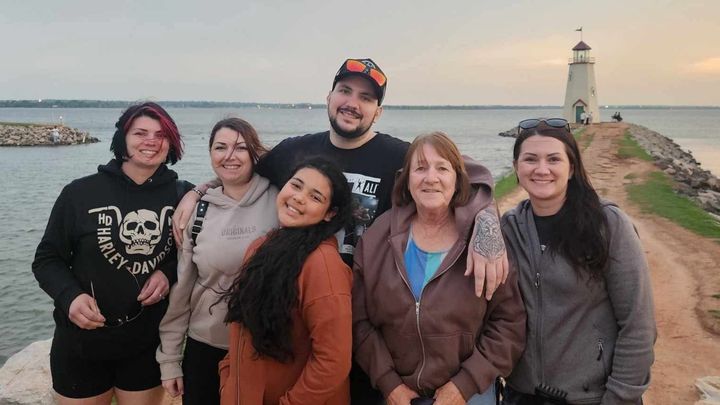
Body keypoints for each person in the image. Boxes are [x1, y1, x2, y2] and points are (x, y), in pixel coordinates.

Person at [172, 57, 509, 403]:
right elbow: (238, 171)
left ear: (378, 111)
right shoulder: (295, 151)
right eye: (345, 91)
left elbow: (470, 177)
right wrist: (198, 193)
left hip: (368, 324)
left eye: (366, 97)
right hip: (300, 319)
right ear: (329, 97)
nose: (352, 103)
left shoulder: (398, 155)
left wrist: (487, 225)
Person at [32, 102, 192, 404]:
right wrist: (69, 297)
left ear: (171, 143)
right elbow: (47, 259)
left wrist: (167, 273)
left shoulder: (184, 195)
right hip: (80, 343)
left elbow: (194, 254)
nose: (151, 141)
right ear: (123, 139)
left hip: (146, 342)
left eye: (161, 135)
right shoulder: (79, 193)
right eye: (140, 133)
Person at [353, 132, 526, 405]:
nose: (431, 178)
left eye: (442, 168)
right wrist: (390, 384)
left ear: (458, 180)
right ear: (406, 179)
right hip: (396, 396)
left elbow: (509, 323)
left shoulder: (483, 239)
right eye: (420, 168)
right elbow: (359, 322)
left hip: (471, 395)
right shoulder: (377, 238)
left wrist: (464, 385)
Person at [500, 118, 656, 404]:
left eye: (554, 159)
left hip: (593, 397)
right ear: (516, 168)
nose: (542, 169)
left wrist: (620, 397)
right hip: (522, 395)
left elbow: (638, 325)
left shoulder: (607, 224)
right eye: (530, 159)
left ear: (571, 168)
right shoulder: (509, 227)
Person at [156, 118, 278, 404]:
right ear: (210, 153)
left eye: (240, 148)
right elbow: (182, 291)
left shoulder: (280, 200)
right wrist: (170, 358)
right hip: (205, 347)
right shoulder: (196, 213)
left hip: (265, 347)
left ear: (254, 153)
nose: (229, 156)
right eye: (220, 147)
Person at [218, 157, 353, 404]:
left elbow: (333, 362)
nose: (299, 198)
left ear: (329, 214)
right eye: (296, 185)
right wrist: (229, 380)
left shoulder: (323, 266)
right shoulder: (261, 248)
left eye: (315, 197)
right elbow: (243, 328)